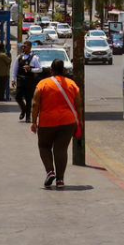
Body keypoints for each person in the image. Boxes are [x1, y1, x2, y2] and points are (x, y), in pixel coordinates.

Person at [31, 58, 84, 189]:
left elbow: (35, 103)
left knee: (44, 146)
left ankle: (50, 171)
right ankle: (60, 180)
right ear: (64, 70)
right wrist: (80, 121)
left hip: (47, 122)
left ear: (51, 70)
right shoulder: (72, 84)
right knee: (61, 150)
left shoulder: (43, 84)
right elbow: (79, 105)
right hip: (68, 122)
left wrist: (33, 121)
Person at [12, 42, 42, 122]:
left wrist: (31, 69)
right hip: (20, 80)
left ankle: (28, 117)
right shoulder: (19, 57)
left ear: (30, 47)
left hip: (29, 81)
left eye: (25, 46)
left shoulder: (34, 58)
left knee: (28, 99)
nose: (23, 48)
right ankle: (23, 109)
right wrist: (13, 79)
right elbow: (15, 69)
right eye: (23, 46)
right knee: (18, 97)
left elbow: (40, 69)